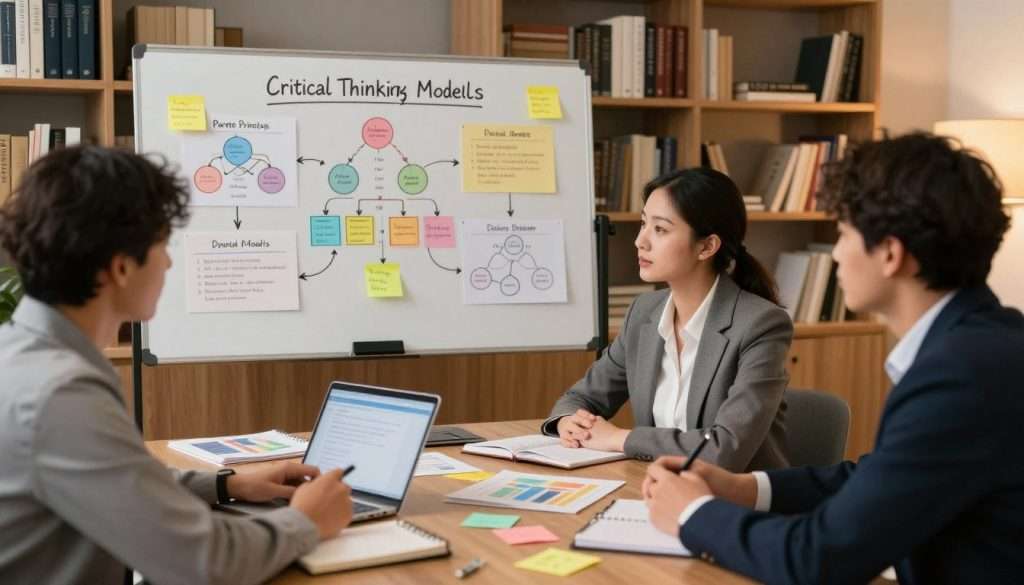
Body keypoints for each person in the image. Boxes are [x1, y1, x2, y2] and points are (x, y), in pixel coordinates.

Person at [643, 132, 1024, 585]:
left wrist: (694, 514)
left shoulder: (960, 376)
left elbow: (819, 558)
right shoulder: (987, 341)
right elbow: (878, 480)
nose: (836, 253)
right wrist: (746, 488)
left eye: (842, 233)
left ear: (890, 254)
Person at [0, 146, 353, 585]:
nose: (168, 262)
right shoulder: (58, 393)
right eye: (162, 246)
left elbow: (115, 485)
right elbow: (204, 563)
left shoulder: (22, 354)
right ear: (122, 268)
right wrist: (306, 521)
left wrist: (228, 485)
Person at [542, 167, 793, 471]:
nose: (640, 241)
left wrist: (620, 438)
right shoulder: (644, 312)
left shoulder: (760, 325)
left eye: (660, 229)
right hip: (659, 491)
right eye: (643, 223)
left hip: (734, 504)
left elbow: (724, 449)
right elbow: (581, 397)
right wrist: (570, 421)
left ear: (707, 246)